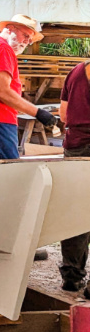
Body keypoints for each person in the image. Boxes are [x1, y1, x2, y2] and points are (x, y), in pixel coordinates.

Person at [0, 14, 57, 160]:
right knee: (7, 174)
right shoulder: (1, 48)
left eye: (30, 39)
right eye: (25, 35)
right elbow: (2, 92)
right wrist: (38, 113)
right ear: (9, 29)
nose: (26, 42)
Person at [58, 58, 90, 292]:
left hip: (76, 145)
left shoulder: (76, 72)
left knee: (75, 211)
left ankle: (72, 275)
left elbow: (64, 115)